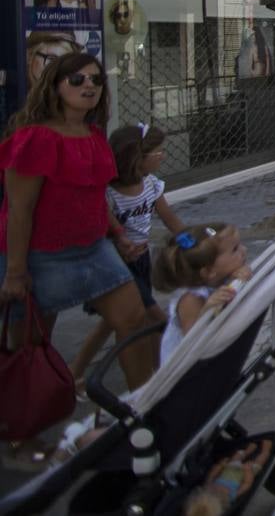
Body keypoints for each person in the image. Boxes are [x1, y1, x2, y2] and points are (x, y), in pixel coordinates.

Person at [0, 52, 155, 394]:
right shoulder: (35, 138)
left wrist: (118, 236)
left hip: (94, 250)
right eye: (78, 79)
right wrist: (15, 271)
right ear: (55, 86)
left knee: (133, 317)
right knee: (31, 348)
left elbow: (95, 197)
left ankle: (143, 409)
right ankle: (23, 432)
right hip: (41, 257)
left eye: (96, 80)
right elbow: (19, 210)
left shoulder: (94, 135)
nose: (89, 86)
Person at [69, 122, 187, 382]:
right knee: (155, 316)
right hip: (117, 264)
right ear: (137, 158)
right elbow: (100, 228)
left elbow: (169, 218)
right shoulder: (109, 193)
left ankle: (74, 375)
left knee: (112, 323)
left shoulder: (152, 185)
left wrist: (190, 243)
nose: (163, 156)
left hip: (141, 260)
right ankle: (158, 378)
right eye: (157, 152)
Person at [151, 222, 252, 364]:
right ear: (209, 271)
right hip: (184, 375)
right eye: (235, 249)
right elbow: (192, 345)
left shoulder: (217, 281)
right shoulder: (191, 299)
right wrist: (207, 310)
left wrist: (234, 281)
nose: (244, 250)